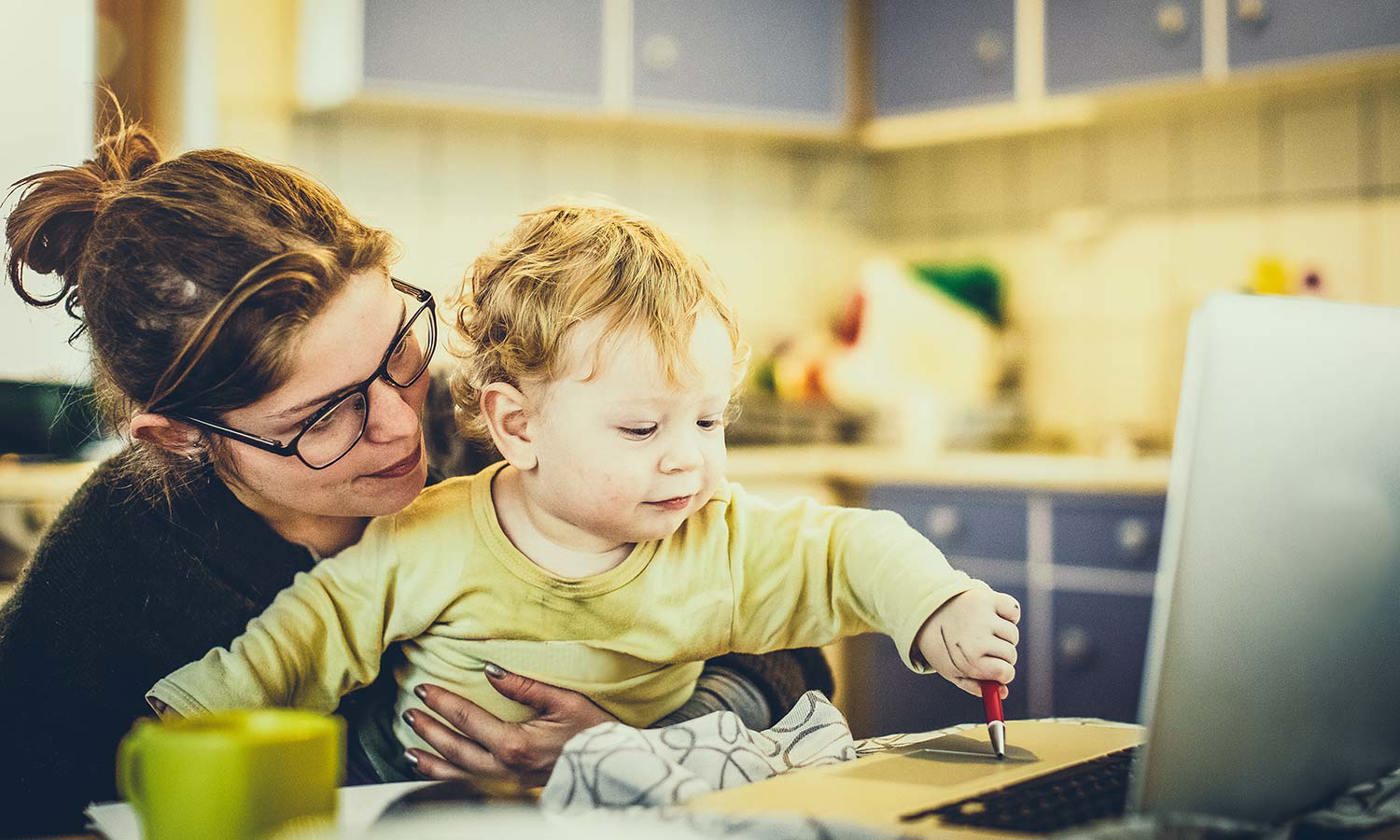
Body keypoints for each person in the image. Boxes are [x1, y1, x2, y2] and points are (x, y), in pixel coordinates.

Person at [0, 123, 828, 836]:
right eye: (325, 416)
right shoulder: (108, 571)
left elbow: (791, 659)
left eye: (400, 350)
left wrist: (659, 734)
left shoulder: (505, 434)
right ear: (179, 436)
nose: (402, 426)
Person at [147, 202, 1022, 781]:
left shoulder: (714, 538)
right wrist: (190, 713)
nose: (688, 461)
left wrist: (937, 606)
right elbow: (306, 637)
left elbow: (849, 551)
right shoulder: (429, 535)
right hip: (405, 803)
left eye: (710, 423)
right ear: (518, 426)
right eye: (642, 430)